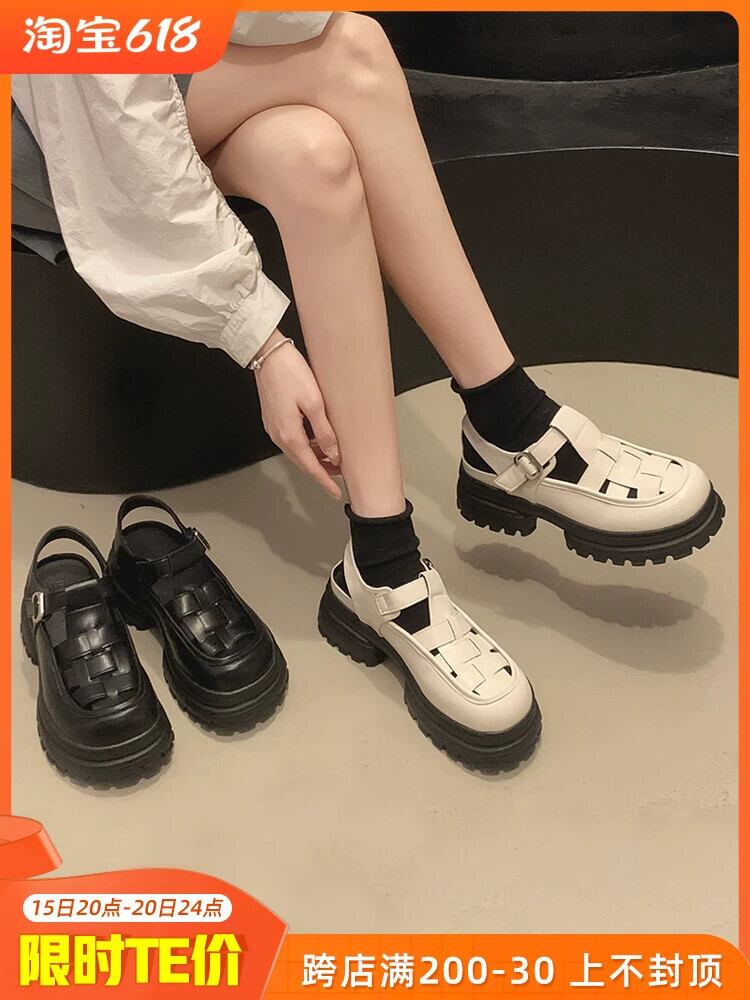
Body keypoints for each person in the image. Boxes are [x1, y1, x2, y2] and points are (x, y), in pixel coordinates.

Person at [12, 12, 723, 771]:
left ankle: (381, 566)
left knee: (312, 155)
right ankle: (506, 419)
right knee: (353, 54)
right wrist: (258, 340)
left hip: (142, 74)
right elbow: (102, 105)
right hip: (58, 124)